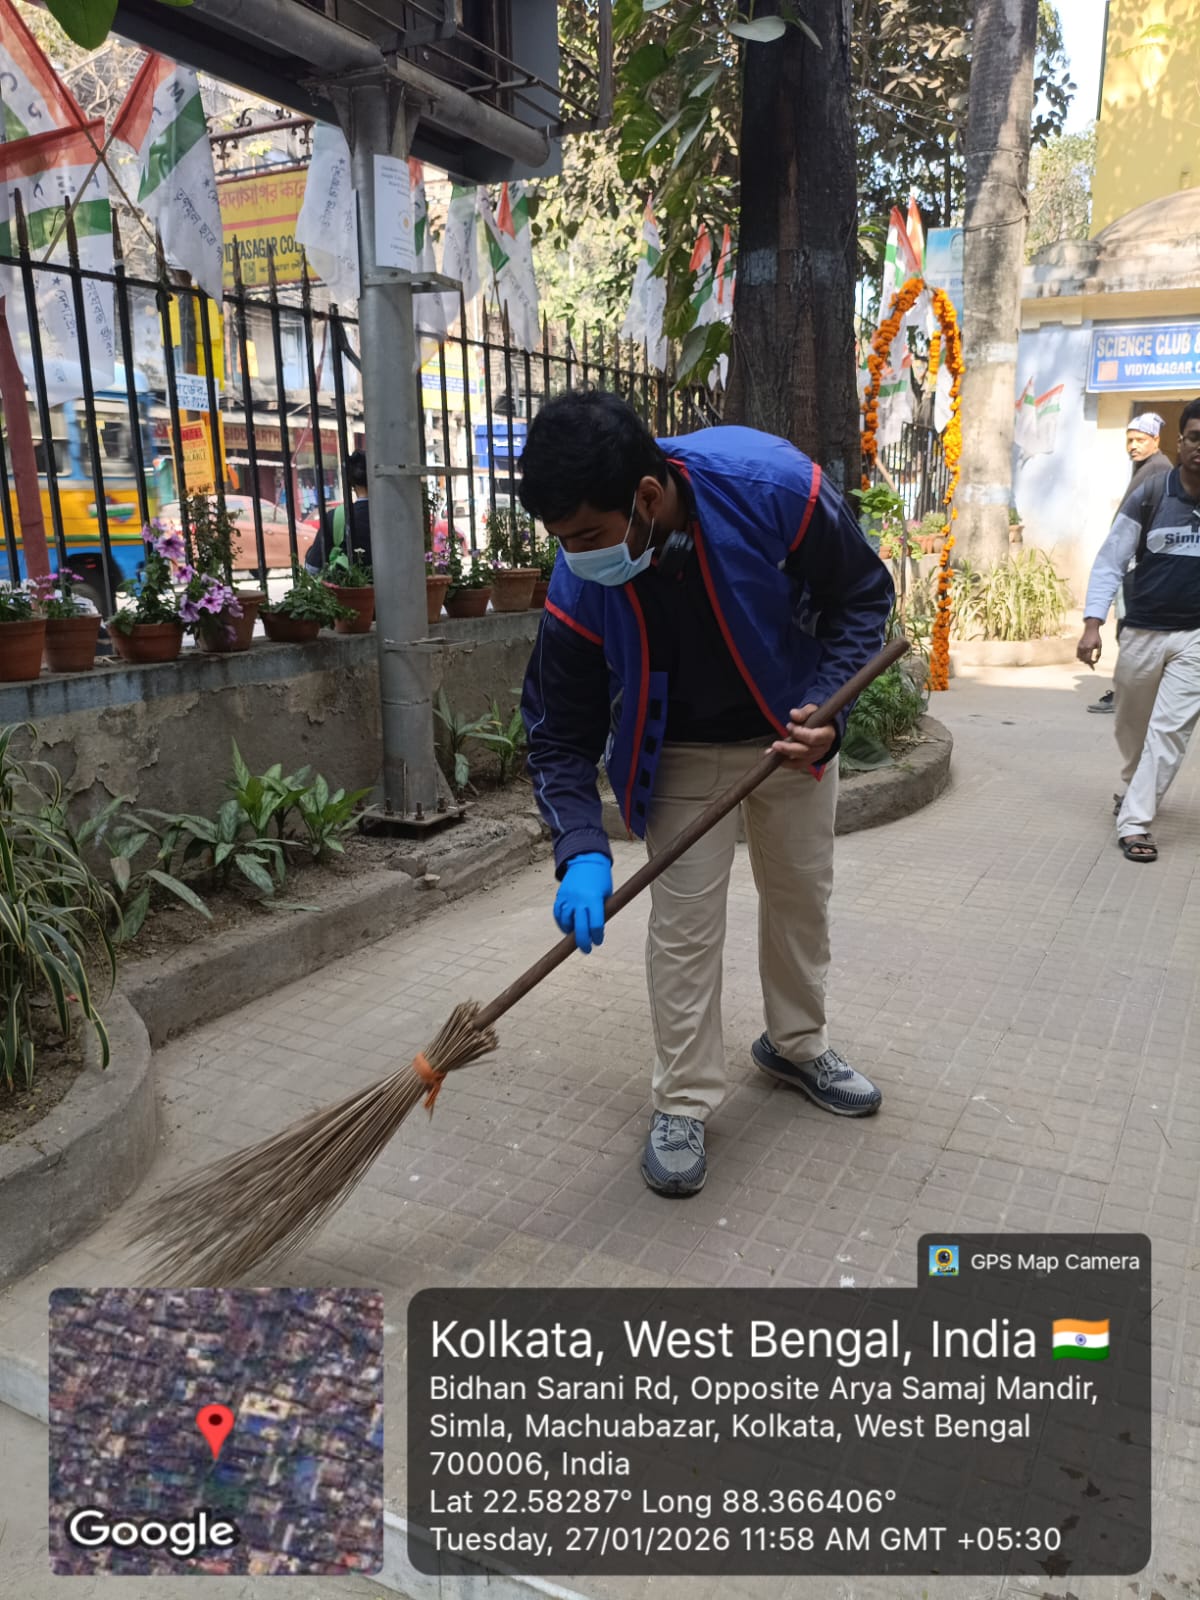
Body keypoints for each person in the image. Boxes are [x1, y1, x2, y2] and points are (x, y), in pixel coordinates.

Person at [518, 391, 895, 1197]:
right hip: (678, 750)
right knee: (684, 929)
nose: (574, 556)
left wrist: (829, 710)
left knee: (801, 897)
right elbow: (558, 729)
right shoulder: (580, 579)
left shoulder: (773, 489)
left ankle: (796, 1045)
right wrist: (580, 849)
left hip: (791, 733)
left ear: (647, 497)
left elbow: (863, 596)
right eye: (561, 540)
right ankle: (683, 1100)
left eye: (586, 536)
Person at [1076, 398, 1200, 863]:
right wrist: (1093, 624)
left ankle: (1134, 821)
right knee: (1132, 725)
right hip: (1143, 631)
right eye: (1195, 438)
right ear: (1180, 442)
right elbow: (1111, 559)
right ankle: (1134, 784)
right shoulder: (1151, 494)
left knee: (1170, 732)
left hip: (1194, 636)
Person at [1088, 413, 1171, 713]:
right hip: (1134, 565)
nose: (1133, 446)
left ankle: (1130, 695)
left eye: (1140, 440)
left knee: (1132, 630)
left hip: (1141, 566)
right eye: (1130, 440)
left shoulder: (1159, 470)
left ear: (1156, 440)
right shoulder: (1146, 467)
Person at [303, 451, 371, 574]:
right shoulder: (398, 516)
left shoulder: (337, 517)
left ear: (351, 482)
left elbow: (312, 568)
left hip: (352, 586)